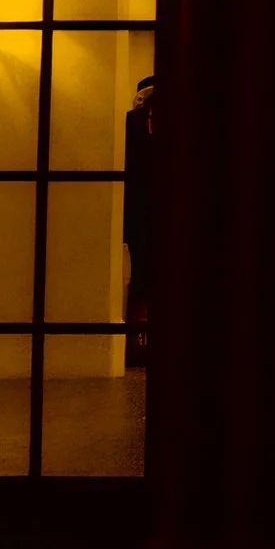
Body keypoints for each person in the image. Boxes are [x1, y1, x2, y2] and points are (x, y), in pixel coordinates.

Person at [123, 77, 155, 367]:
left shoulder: (131, 123)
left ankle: (137, 340)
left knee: (142, 274)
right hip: (143, 210)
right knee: (143, 273)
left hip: (140, 209)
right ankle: (137, 341)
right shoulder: (133, 124)